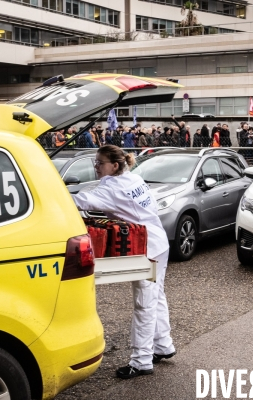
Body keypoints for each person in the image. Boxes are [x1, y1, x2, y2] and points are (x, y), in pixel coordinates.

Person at [73, 145, 175, 379]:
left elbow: (81, 202)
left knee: (144, 303)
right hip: (158, 242)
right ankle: (163, 345)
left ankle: (141, 361)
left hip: (145, 247)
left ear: (115, 165)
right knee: (156, 296)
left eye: (100, 163)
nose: (96, 167)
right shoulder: (134, 178)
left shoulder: (112, 188)